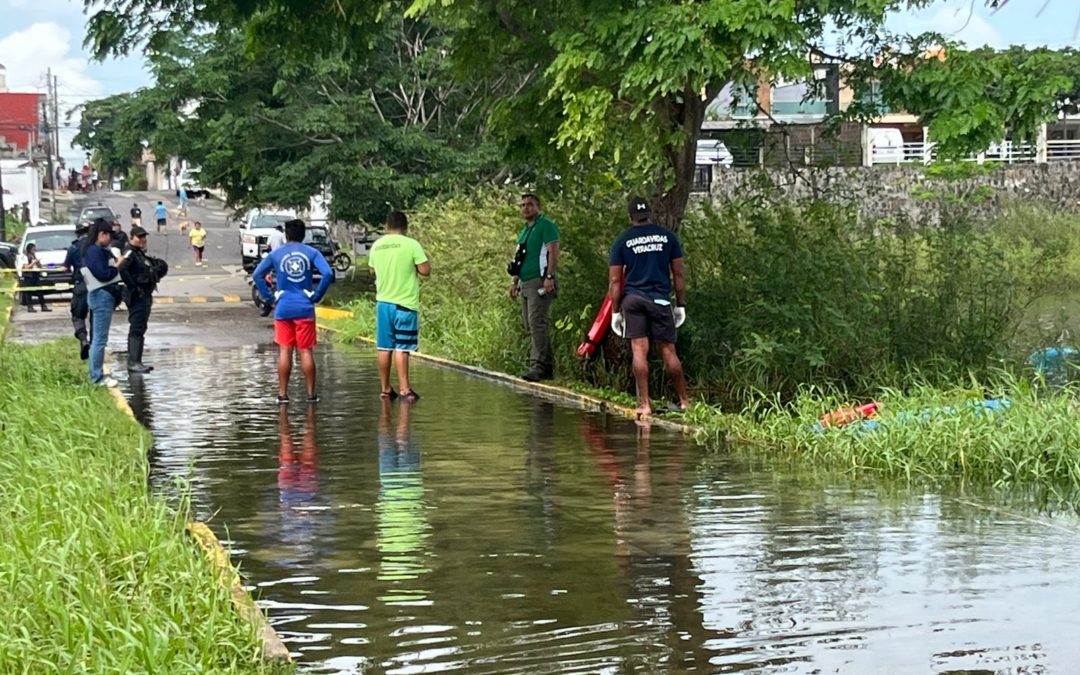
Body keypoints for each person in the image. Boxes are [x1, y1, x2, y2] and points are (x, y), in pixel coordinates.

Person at [608, 196, 690, 416]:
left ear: (630, 217)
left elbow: (615, 282)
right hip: (660, 300)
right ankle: (684, 401)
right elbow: (679, 274)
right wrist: (680, 304)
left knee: (639, 350)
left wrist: (615, 312)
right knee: (668, 351)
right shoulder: (668, 237)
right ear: (649, 214)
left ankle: (644, 404)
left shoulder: (622, 241)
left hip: (633, 300)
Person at [254, 219, 334, 404]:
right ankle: (311, 395)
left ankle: (282, 395)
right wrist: (316, 296)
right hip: (305, 308)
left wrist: (270, 297)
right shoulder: (312, 252)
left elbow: (257, 274)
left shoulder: (276, 254)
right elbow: (328, 273)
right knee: (305, 352)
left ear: (286, 235)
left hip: (283, 308)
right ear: (303, 234)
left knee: (285, 351)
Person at [368, 211, 430, 401]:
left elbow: (372, 270)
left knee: (384, 347)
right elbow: (425, 270)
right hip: (405, 304)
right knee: (402, 347)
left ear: (387, 226)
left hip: (383, 303)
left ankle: (386, 389)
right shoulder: (412, 244)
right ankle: (405, 389)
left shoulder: (377, 246)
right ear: (406, 226)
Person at [508, 193, 559, 382]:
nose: (525, 208)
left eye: (529, 205)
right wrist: (514, 281)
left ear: (538, 207)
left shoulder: (546, 225)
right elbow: (519, 258)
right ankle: (547, 366)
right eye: (522, 205)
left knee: (537, 322)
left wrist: (550, 276)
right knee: (531, 325)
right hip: (525, 281)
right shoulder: (525, 231)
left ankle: (537, 366)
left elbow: (553, 251)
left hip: (540, 280)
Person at [82, 219, 132, 387]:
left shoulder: (94, 250)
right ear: (101, 234)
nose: (110, 239)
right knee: (100, 339)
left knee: (98, 338)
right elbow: (104, 274)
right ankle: (97, 377)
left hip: (100, 296)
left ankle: (96, 373)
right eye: (108, 235)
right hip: (101, 295)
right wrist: (117, 265)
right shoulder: (95, 252)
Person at [120, 226, 165, 373]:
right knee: (137, 327)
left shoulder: (139, 254)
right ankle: (133, 362)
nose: (143, 240)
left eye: (144, 237)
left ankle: (136, 360)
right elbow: (122, 270)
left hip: (144, 294)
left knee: (141, 327)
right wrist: (134, 286)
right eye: (139, 237)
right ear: (132, 237)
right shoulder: (130, 253)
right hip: (137, 295)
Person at [63, 224, 93, 358]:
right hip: (95, 285)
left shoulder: (73, 247)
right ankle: (94, 344)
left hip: (80, 285)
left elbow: (66, 267)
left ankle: (83, 339)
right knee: (95, 316)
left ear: (77, 234)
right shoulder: (95, 246)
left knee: (78, 316)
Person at [19, 244, 51, 313]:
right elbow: (26, 267)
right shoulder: (25, 257)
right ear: (29, 249)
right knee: (29, 292)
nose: (35, 250)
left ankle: (43, 306)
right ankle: (30, 307)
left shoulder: (34, 256)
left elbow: (39, 266)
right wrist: (33, 263)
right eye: (33, 249)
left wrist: (38, 263)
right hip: (29, 276)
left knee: (40, 291)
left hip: (36, 275)